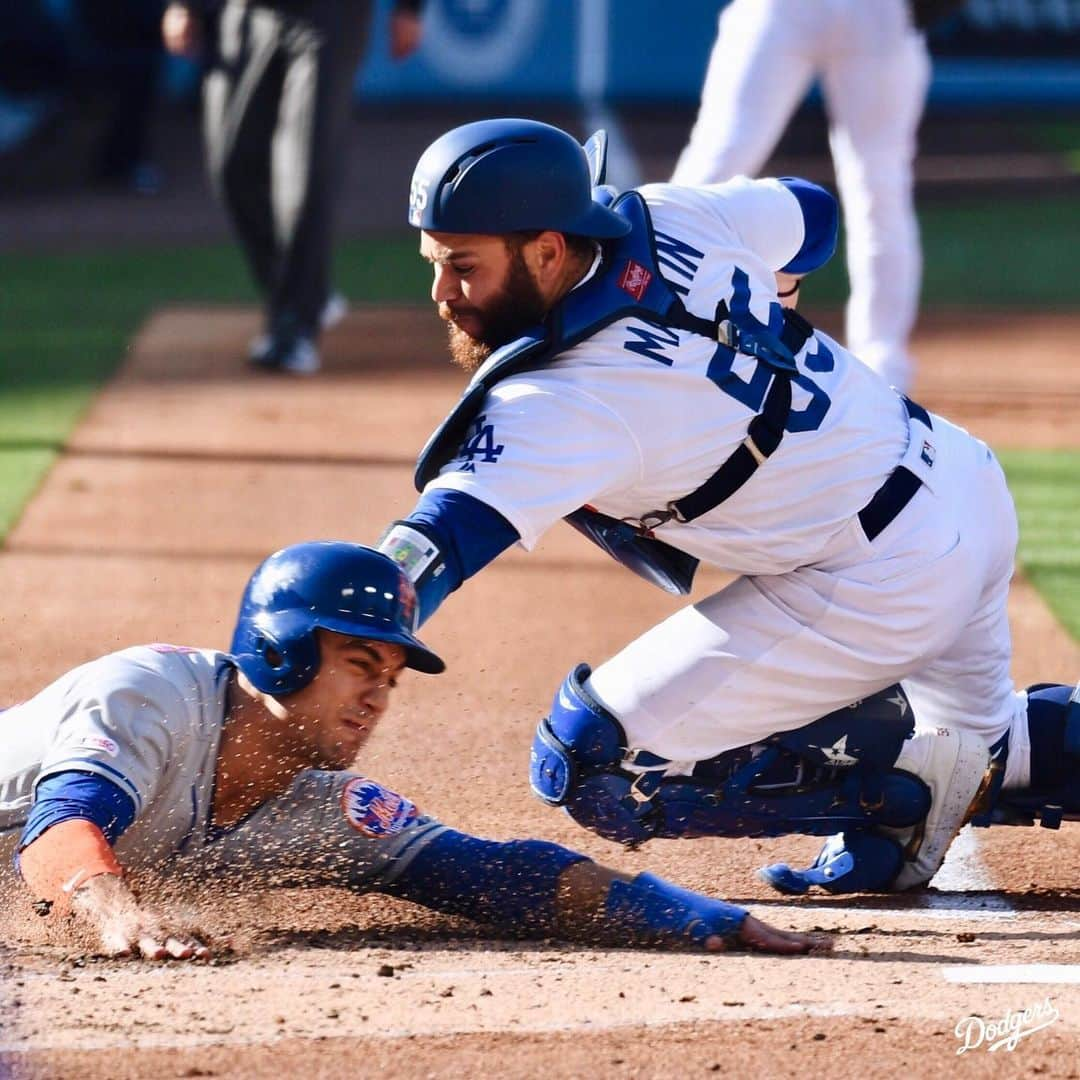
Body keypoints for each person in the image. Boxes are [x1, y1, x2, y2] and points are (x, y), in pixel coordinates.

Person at [373, 117, 1080, 897]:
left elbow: (441, 543)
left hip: (881, 581)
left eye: (462, 266)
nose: (440, 294)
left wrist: (342, 615)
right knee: (993, 745)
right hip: (962, 476)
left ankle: (904, 784)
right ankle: (952, 758)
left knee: (589, 763)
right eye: (433, 263)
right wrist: (763, 311)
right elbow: (811, 213)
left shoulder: (558, 400)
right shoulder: (668, 212)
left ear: (546, 249)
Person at [1, 542, 827, 959]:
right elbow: (60, 824)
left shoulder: (320, 804)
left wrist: (688, 915)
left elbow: (489, 872)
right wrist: (115, 915)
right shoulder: (150, 695)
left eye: (391, 678)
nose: (377, 698)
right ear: (280, 652)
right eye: (360, 665)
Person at [671, 0, 967, 393]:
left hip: (876, 13)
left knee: (880, 186)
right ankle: (656, 319)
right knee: (717, 160)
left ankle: (882, 369)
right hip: (786, 9)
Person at [161, 0, 426, 375]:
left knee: (303, 172)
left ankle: (295, 327)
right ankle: (307, 293)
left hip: (328, 17)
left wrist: (410, 9)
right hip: (245, 13)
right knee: (230, 165)